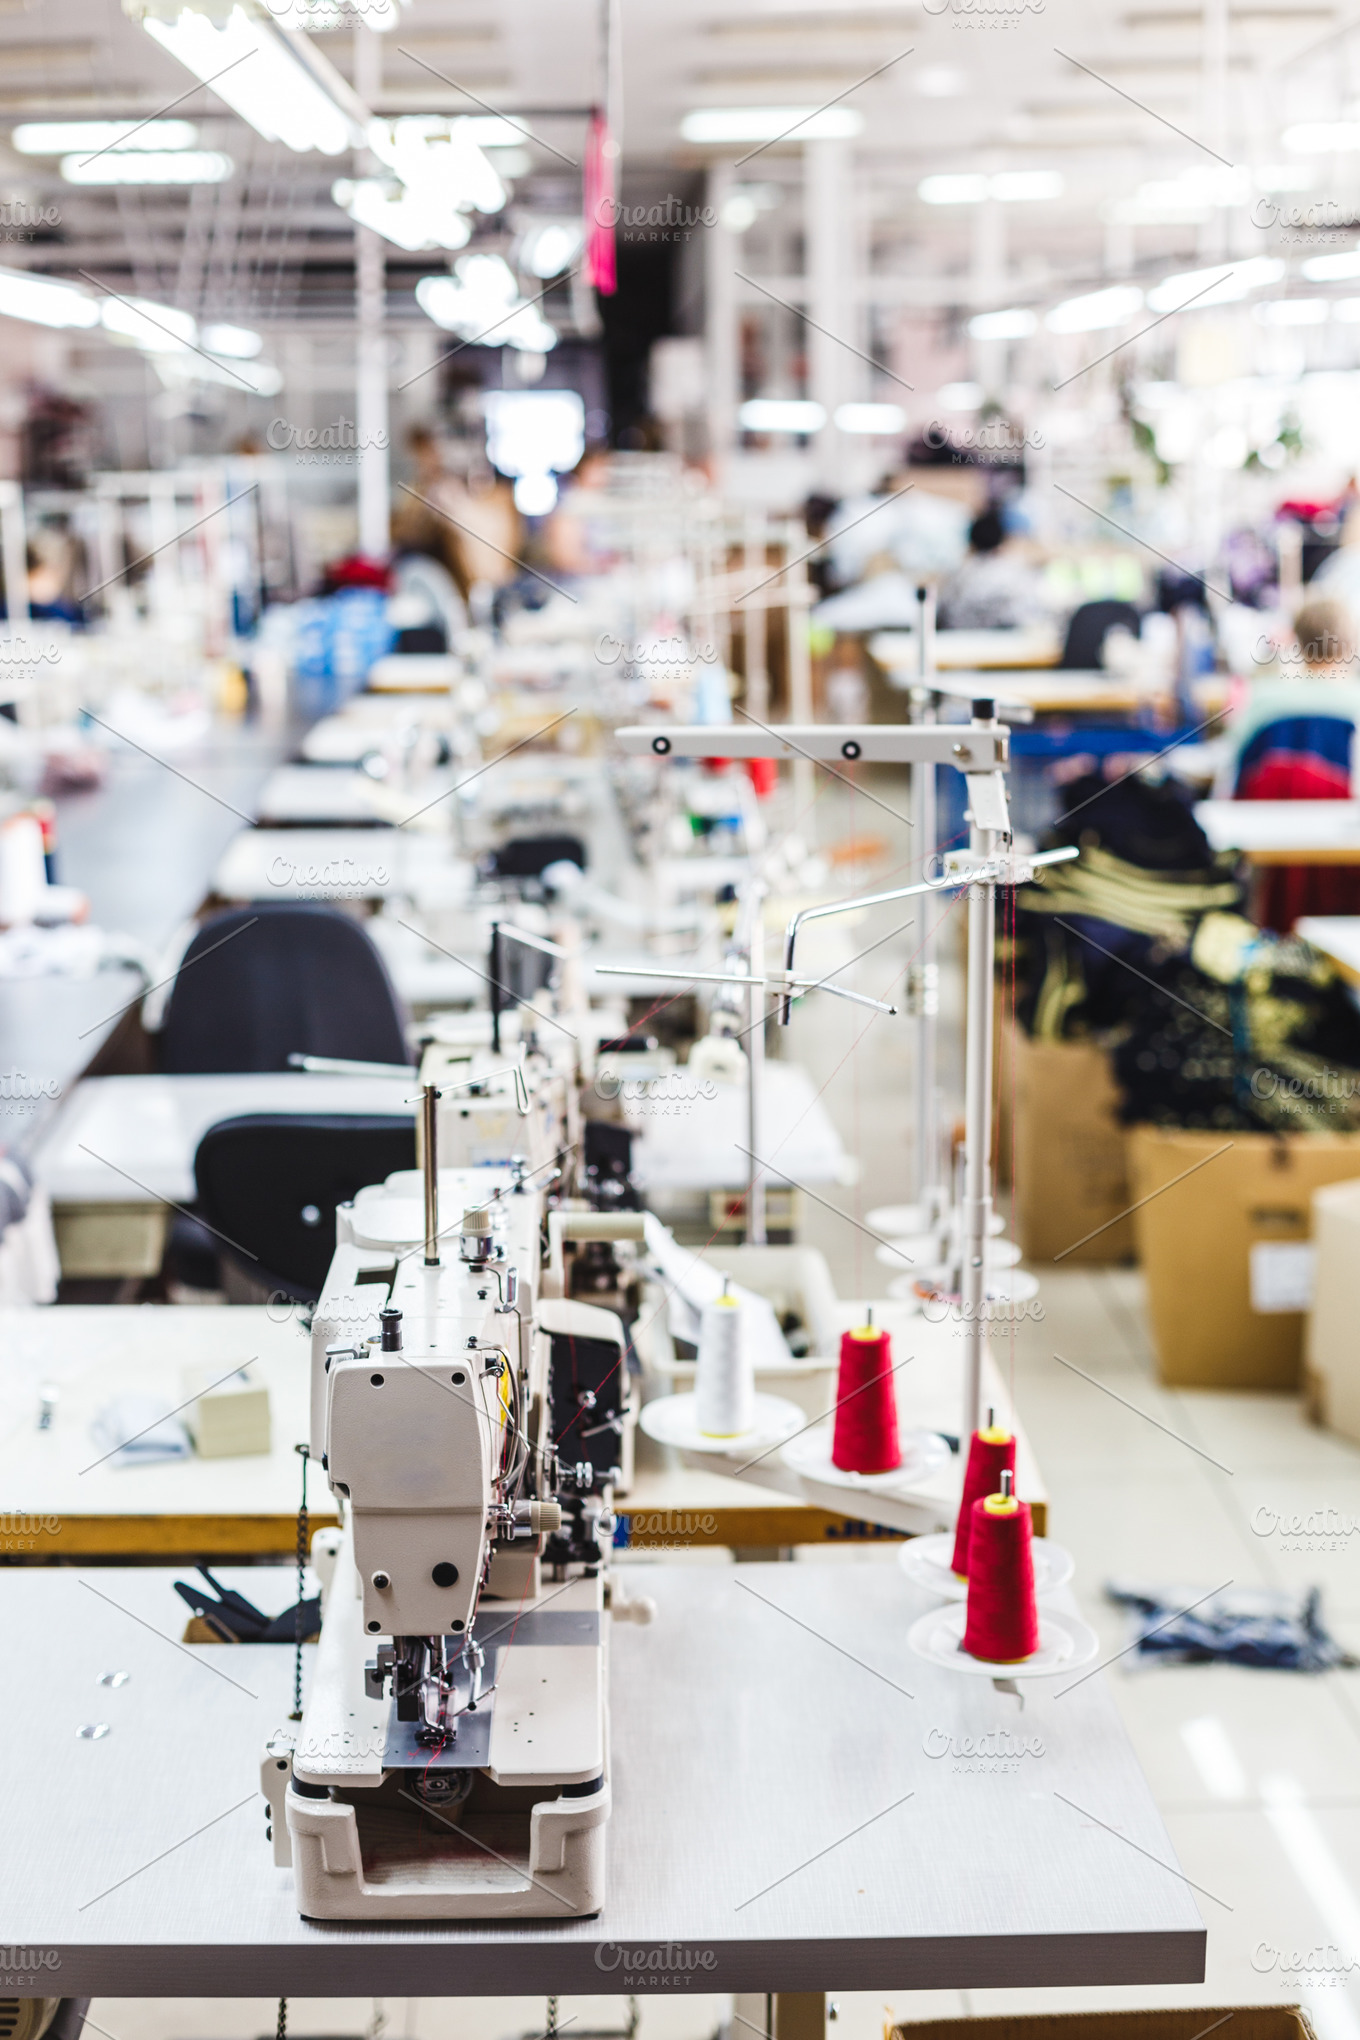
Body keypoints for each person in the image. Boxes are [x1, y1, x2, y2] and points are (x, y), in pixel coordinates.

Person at [1222, 593, 1360, 929]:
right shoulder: (1355, 703)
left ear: (1296, 641)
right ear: (1349, 644)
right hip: (1344, 859)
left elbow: (1230, 780)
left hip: (1265, 860)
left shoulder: (1262, 700)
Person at [938, 502, 1048, 630]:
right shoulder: (1016, 575)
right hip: (1008, 647)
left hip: (958, 645)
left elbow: (941, 616)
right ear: (1003, 542)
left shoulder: (956, 578)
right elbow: (1032, 617)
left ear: (971, 544)